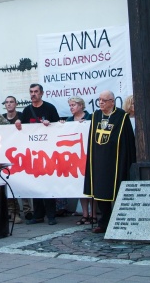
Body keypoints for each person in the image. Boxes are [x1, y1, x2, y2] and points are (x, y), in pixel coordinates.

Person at [84, 91, 136, 234]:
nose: (101, 103)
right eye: (99, 100)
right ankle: (104, 223)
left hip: (116, 159)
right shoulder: (96, 116)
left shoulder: (121, 116)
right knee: (101, 191)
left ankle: (119, 222)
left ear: (112, 102)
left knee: (117, 189)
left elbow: (127, 140)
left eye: (104, 100)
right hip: (99, 159)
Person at [16, 84, 61, 225]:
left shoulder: (50, 108)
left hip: (48, 153)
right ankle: (38, 215)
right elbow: (21, 129)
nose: (33, 94)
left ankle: (51, 215)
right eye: (31, 92)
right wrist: (17, 122)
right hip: (33, 154)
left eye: (36, 91)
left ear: (41, 93)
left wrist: (51, 124)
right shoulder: (27, 110)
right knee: (35, 184)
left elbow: (59, 126)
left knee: (48, 184)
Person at [62, 96, 92, 226]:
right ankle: (85, 214)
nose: (71, 108)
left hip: (89, 155)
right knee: (81, 186)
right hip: (75, 157)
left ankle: (93, 214)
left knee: (91, 186)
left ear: (80, 105)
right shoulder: (69, 120)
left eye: (73, 105)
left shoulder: (90, 117)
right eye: (70, 105)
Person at [2, 96, 29, 223]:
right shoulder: (1, 118)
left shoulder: (22, 116)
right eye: (6, 102)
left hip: (22, 154)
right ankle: (14, 212)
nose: (9, 104)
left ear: (16, 104)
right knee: (10, 183)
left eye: (11, 102)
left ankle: (27, 210)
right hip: (6, 156)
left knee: (23, 183)